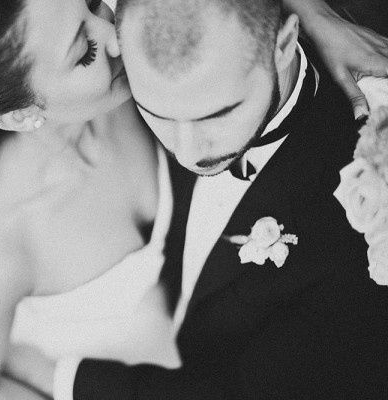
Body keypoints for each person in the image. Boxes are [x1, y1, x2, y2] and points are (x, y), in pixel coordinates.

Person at [0, 0, 388, 399]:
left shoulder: (144, 72)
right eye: (84, 50)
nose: (116, 35)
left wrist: (315, 16)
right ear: (21, 113)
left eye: (93, 2)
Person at [24, 0, 388, 399]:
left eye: (216, 115)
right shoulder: (143, 54)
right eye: (157, 114)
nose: (188, 153)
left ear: (283, 45)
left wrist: (60, 378)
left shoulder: (369, 208)